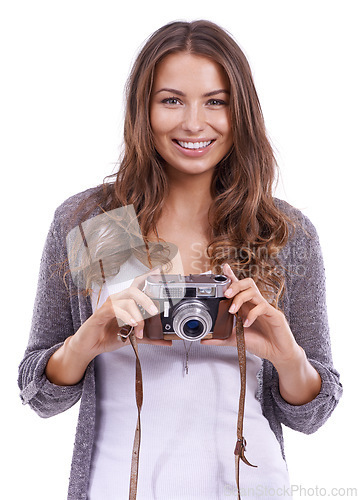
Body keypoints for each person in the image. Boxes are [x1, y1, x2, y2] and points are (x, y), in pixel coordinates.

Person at [18, 20, 342, 500]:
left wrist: (288, 358)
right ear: (142, 110)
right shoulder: (102, 221)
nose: (194, 122)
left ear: (242, 112)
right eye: (172, 100)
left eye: (216, 101)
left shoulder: (278, 233)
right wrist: (83, 345)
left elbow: (311, 416)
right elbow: (38, 395)